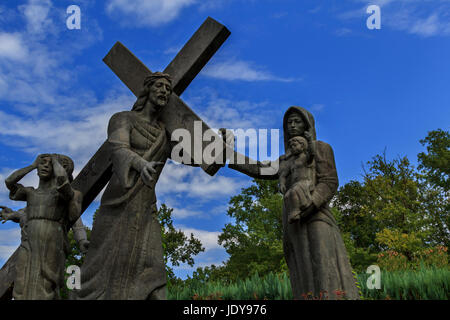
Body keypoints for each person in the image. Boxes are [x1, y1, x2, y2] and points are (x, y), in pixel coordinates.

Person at [226, 106, 359, 300]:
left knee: (323, 266)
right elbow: (259, 168)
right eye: (289, 122)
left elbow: (329, 182)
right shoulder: (286, 160)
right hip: (294, 221)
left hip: (317, 216)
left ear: (307, 125)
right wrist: (228, 154)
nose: (292, 125)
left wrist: (311, 204)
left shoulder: (320, 148)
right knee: (301, 269)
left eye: (297, 121)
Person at [77, 72, 174, 300]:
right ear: (147, 89)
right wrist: (140, 164)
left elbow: (190, 154)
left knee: (154, 267)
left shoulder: (164, 134)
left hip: (145, 206)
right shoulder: (123, 119)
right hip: (118, 203)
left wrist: (214, 141)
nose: (164, 91)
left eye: (168, 89)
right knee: (102, 263)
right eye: (159, 86)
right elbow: (119, 147)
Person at [3, 153, 82, 299]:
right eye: (42, 163)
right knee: (22, 279)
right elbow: (9, 182)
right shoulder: (30, 192)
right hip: (28, 241)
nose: (45, 165)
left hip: (51, 240)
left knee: (46, 282)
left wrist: (56, 163)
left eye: (49, 164)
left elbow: (63, 183)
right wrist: (33, 165)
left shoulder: (65, 195)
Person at [279, 135, 315, 224]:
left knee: (294, 191)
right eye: (291, 147)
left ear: (302, 146)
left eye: (294, 145)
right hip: (296, 184)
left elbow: (312, 153)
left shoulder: (305, 158)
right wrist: (282, 184)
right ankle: (293, 212)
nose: (292, 148)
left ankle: (298, 211)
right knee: (287, 196)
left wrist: (310, 141)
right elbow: (283, 175)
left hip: (306, 182)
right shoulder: (292, 162)